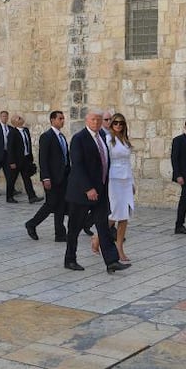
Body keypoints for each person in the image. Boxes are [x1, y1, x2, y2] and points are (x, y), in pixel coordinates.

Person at [63, 108, 130, 274]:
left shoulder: (102, 137)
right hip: (81, 192)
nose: (96, 122)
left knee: (103, 227)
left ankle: (112, 261)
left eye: (99, 120)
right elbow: (77, 166)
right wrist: (88, 188)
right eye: (93, 119)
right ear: (86, 120)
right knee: (74, 228)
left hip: (100, 192)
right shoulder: (79, 139)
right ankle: (70, 259)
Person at [25, 110, 69, 242]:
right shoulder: (47, 136)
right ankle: (31, 224)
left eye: (63, 118)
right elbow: (43, 159)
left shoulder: (62, 137)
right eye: (60, 118)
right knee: (50, 204)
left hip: (63, 177)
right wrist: (45, 177)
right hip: (52, 177)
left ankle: (60, 234)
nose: (62, 121)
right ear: (52, 120)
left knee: (61, 204)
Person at [106, 113, 135, 262]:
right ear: (111, 124)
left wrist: (132, 183)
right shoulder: (108, 140)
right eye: (115, 123)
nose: (118, 125)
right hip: (114, 179)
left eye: (121, 123)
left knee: (125, 215)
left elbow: (129, 163)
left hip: (126, 179)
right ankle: (99, 236)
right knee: (115, 213)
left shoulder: (125, 141)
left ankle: (119, 247)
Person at [6, 114, 41, 204]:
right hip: (16, 160)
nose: (20, 118)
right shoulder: (12, 132)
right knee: (12, 179)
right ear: (14, 122)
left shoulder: (26, 130)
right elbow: (10, 148)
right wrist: (11, 161)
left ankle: (32, 197)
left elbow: (28, 144)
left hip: (25, 159)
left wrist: (30, 156)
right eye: (18, 118)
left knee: (27, 178)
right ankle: (9, 197)